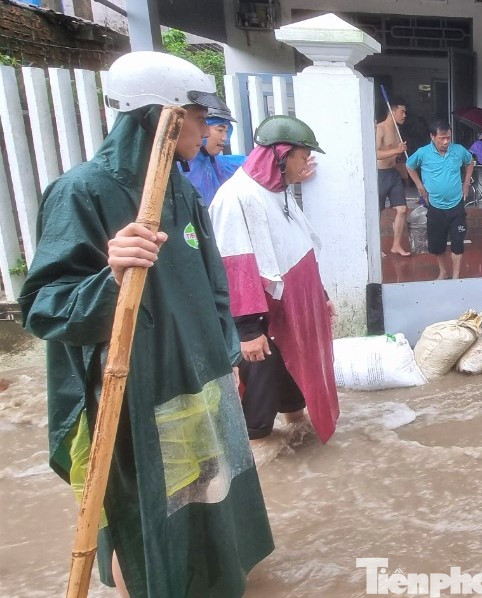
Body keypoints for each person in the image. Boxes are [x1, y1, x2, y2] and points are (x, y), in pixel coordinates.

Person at [17, 51, 273, 597]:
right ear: (165, 117)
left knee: (206, 492)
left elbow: (212, 285)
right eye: (201, 118)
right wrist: (111, 276)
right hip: (132, 392)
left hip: (194, 383)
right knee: (142, 508)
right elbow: (45, 306)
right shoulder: (82, 191)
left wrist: (227, 354)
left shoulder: (180, 189)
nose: (209, 129)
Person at [209, 115, 339, 448]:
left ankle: (301, 442)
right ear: (280, 155)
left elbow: (301, 247)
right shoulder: (236, 197)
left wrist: (320, 296)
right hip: (261, 323)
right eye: (302, 155)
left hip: (292, 315)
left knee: (296, 396)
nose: (307, 163)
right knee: (258, 416)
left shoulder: (279, 192)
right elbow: (234, 266)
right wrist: (249, 332)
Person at [406, 120, 475, 279]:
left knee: (458, 242)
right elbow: (409, 166)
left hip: (456, 205)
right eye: (442, 138)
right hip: (435, 206)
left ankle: (456, 276)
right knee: (437, 244)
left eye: (448, 138)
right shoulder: (423, 153)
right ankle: (443, 272)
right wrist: (420, 187)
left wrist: (466, 184)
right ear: (432, 136)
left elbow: (470, 162)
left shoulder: (458, 150)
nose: (445, 142)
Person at [182, 104, 246, 205]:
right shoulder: (181, 165)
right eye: (220, 130)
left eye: (226, 131)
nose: (225, 138)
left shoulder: (214, 163)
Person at [376, 96, 411, 256]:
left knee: (402, 209)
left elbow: (397, 156)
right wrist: (396, 150)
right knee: (377, 211)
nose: (405, 115)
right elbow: (375, 153)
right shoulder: (380, 128)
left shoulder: (397, 131)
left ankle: (396, 245)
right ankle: (377, 246)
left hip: (393, 173)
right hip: (380, 174)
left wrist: (406, 172)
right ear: (392, 111)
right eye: (402, 112)